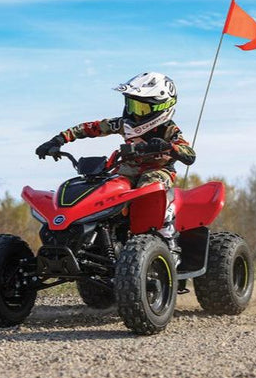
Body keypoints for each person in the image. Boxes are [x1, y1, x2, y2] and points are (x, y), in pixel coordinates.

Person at [36, 72, 196, 255]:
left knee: (148, 191)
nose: (135, 113)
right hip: (126, 169)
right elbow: (91, 128)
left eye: (141, 108)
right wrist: (58, 140)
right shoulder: (123, 123)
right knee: (104, 194)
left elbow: (189, 154)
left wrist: (169, 147)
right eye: (131, 105)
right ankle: (99, 239)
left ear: (162, 107)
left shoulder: (169, 129)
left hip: (157, 170)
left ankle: (169, 243)